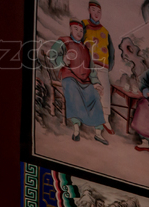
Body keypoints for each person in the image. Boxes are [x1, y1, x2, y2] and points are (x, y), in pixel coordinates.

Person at [58, 20, 108, 144]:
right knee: (73, 90)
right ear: (70, 29)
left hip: (85, 81)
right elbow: (53, 57)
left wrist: (96, 83)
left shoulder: (85, 48)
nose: (79, 32)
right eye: (76, 29)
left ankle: (98, 133)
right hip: (69, 77)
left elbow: (92, 69)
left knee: (95, 95)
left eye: (81, 30)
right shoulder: (63, 42)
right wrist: (64, 59)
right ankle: (76, 129)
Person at [81, 2, 115, 133]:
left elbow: (111, 50)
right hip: (86, 64)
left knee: (105, 89)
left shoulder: (105, 31)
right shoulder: (83, 24)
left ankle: (105, 118)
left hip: (102, 65)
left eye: (99, 11)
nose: (96, 13)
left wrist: (109, 65)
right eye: (93, 10)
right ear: (89, 10)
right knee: (89, 87)